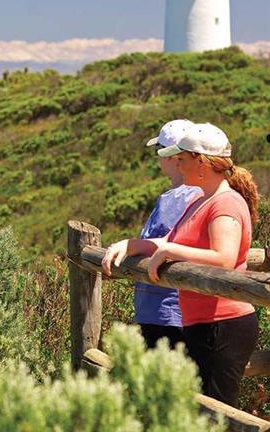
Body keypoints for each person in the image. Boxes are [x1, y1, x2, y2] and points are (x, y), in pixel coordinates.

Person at [102, 123, 260, 407]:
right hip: (204, 323)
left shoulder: (225, 203)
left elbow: (224, 257)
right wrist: (132, 245)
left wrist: (171, 250)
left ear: (201, 162)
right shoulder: (203, 200)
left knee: (217, 412)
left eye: (182, 159)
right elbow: (169, 240)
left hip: (223, 323)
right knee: (202, 411)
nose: (177, 164)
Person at [135, 120, 202, 349]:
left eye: (159, 151)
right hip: (164, 310)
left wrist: (128, 247)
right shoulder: (184, 195)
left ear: (171, 156)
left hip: (169, 312)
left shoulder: (182, 197)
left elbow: (172, 242)